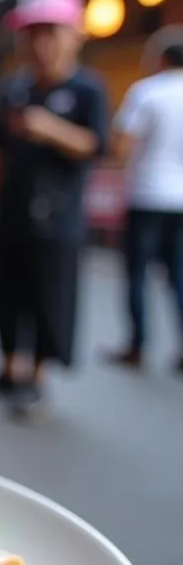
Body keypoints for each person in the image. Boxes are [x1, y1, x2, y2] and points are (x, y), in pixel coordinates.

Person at [0, 0, 108, 418]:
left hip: (58, 218)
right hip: (11, 213)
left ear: (73, 34)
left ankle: (35, 378)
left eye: (51, 31)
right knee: (5, 295)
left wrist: (50, 129)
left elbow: (97, 145)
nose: (41, 42)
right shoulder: (14, 88)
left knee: (48, 298)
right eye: (33, 32)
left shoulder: (87, 89)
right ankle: (7, 369)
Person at [105, 28, 183, 373]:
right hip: (180, 200)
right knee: (179, 275)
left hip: (148, 194)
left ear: (161, 59)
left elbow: (122, 147)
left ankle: (137, 345)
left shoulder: (147, 92)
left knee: (137, 273)